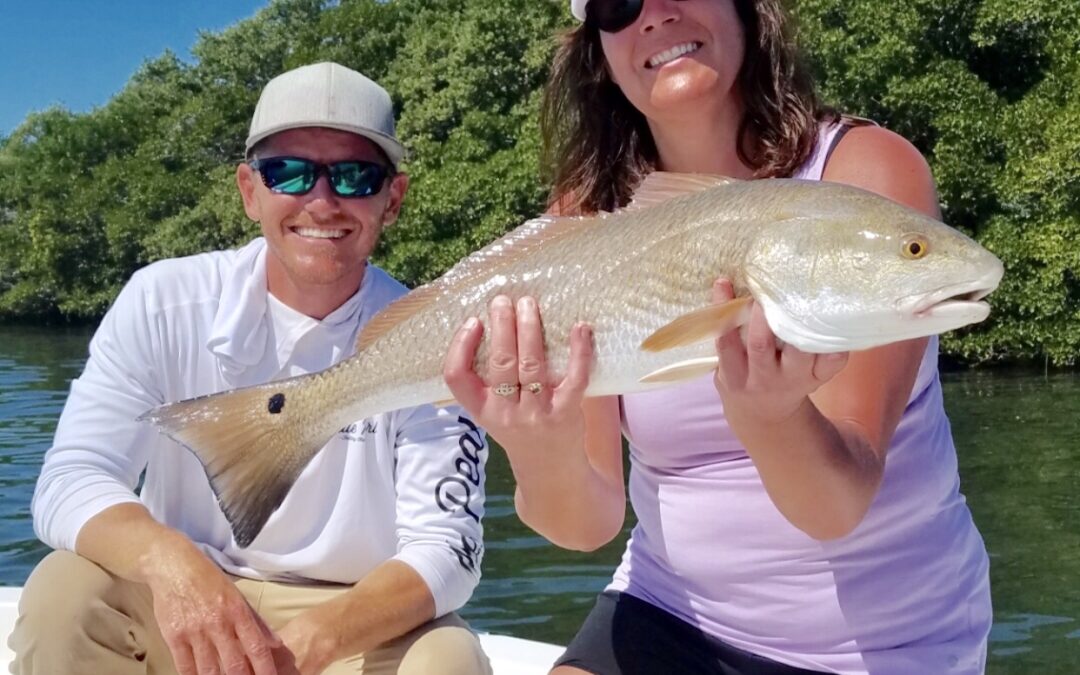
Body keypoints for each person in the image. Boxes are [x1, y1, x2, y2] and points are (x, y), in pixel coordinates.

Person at [443, 1, 991, 674]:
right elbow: (584, 525)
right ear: (599, 53)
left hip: (883, 647)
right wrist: (537, 445)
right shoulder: (585, 222)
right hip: (665, 606)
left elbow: (835, 506)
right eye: (617, 4)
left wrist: (771, 414)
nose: (655, 14)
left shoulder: (861, 176)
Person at [10, 62, 491, 675]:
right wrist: (171, 564)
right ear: (248, 190)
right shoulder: (161, 299)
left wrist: (303, 645)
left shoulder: (439, 335)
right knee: (64, 595)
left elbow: (447, 550)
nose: (322, 201)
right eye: (287, 171)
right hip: (185, 592)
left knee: (447, 660)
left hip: (352, 615)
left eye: (354, 176)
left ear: (391, 199)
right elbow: (71, 479)